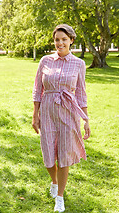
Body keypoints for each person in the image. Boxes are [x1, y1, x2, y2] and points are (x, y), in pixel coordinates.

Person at [32, 24, 91, 212]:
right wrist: (35, 114)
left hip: (68, 112)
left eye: (64, 39)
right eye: (57, 39)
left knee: (64, 155)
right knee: (48, 155)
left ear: (71, 41)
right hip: (48, 110)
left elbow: (81, 93)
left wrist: (86, 120)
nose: (60, 43)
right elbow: (37, 89)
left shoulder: (79, 64)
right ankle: (54, 181)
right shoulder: (45, 61)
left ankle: (60, 196)